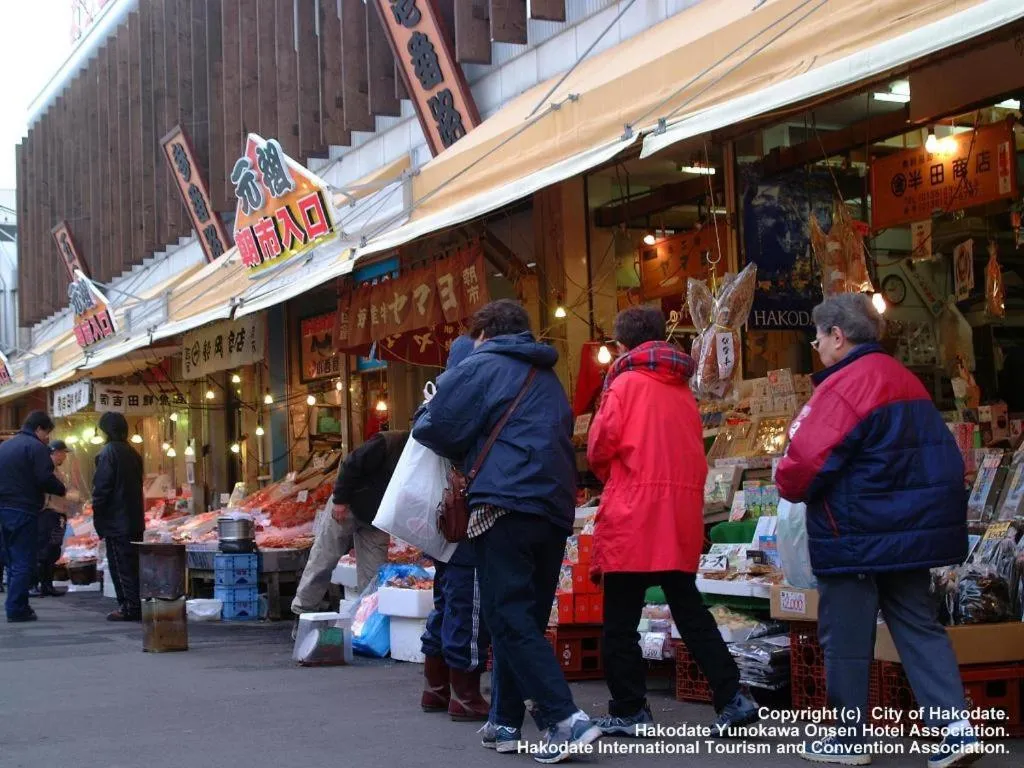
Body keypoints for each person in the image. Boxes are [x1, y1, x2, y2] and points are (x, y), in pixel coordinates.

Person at [775, 293, 978, 768]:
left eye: (818, 336)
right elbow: (947, 459)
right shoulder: (905, 380)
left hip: (855, 533)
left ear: (837, 336)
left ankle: (848, 740)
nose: (817, 346)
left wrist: (786, 480)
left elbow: (803, 464)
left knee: (846, 637)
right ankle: (955, 729)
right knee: (919, 625)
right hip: (908, 536)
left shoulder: (844, 386)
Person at [414, 299, 601, 764]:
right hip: (555, 507)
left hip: (504, 505)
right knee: (524, 618)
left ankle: (565, 719)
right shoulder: (548, 376)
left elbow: (433, 425)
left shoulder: (482, 365)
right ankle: (504, 719)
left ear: (483, 334)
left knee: (506, 613)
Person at [586, 306, 759, 738]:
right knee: (689, 609)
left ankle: (630, 707)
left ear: (622, 345)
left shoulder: (624, 384)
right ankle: (732, 696)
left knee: (620, 620)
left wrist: (621, 480)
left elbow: (598, 450)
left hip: (633, 514)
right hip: (677, 512)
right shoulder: (681, 387)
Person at [419, 336, 491, 722]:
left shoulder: (433, 401)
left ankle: (436, 688)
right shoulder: (464, 404)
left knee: (447, 603)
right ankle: (465, 694)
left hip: (442, 520)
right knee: (469, 605)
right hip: (465, 522)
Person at [290, 430, 403, 616]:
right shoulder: (389, 442)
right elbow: (351, 463)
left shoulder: (425, 458)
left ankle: (367, 622)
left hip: (377, 520)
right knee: (323, 560)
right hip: (348, 505)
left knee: (375, 574)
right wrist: (340, 500)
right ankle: (303, 611)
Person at [0, 411, 66, 622]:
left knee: (12, 560)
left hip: (3, 510)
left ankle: (16, 603)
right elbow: (44, 478)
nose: (47, 438)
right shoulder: (36, 447)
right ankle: (17, 608)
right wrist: (61, 489)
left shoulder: (5, 447)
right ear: (38, 429)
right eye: (46, 433)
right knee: (23, 560)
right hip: (23, 509)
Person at [93, 412, 145, 622]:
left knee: (120, 565)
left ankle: (129, 607)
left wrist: (99, 516)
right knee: (132, 565)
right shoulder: (133, 453)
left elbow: (102, 489)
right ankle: (134, 605)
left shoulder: (109, 453)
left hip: (117, 520)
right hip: (133, 519)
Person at [30, 439, 79, 598]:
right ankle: (36, 585)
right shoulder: (46, 471)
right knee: (44, 550)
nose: (64, 456)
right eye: (63, 453)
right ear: (56, 452)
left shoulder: (55, 470)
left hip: (57, 514)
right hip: (49, 514)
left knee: (52, 551)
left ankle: (47, 585)